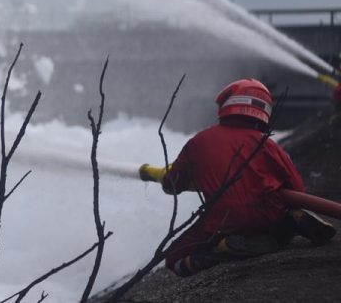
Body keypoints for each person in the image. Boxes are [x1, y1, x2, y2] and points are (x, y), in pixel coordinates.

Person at [138, 78, 337, 276]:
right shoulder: (268, 145)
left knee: (173, 258)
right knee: (277, 222)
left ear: (227, 106)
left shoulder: (200, 142)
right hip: (268, 216)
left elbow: (172, 185)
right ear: (264, 111)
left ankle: (217, 253)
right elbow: (297, 189)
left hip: (223, 221)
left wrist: (177, 177)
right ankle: (288, 224)